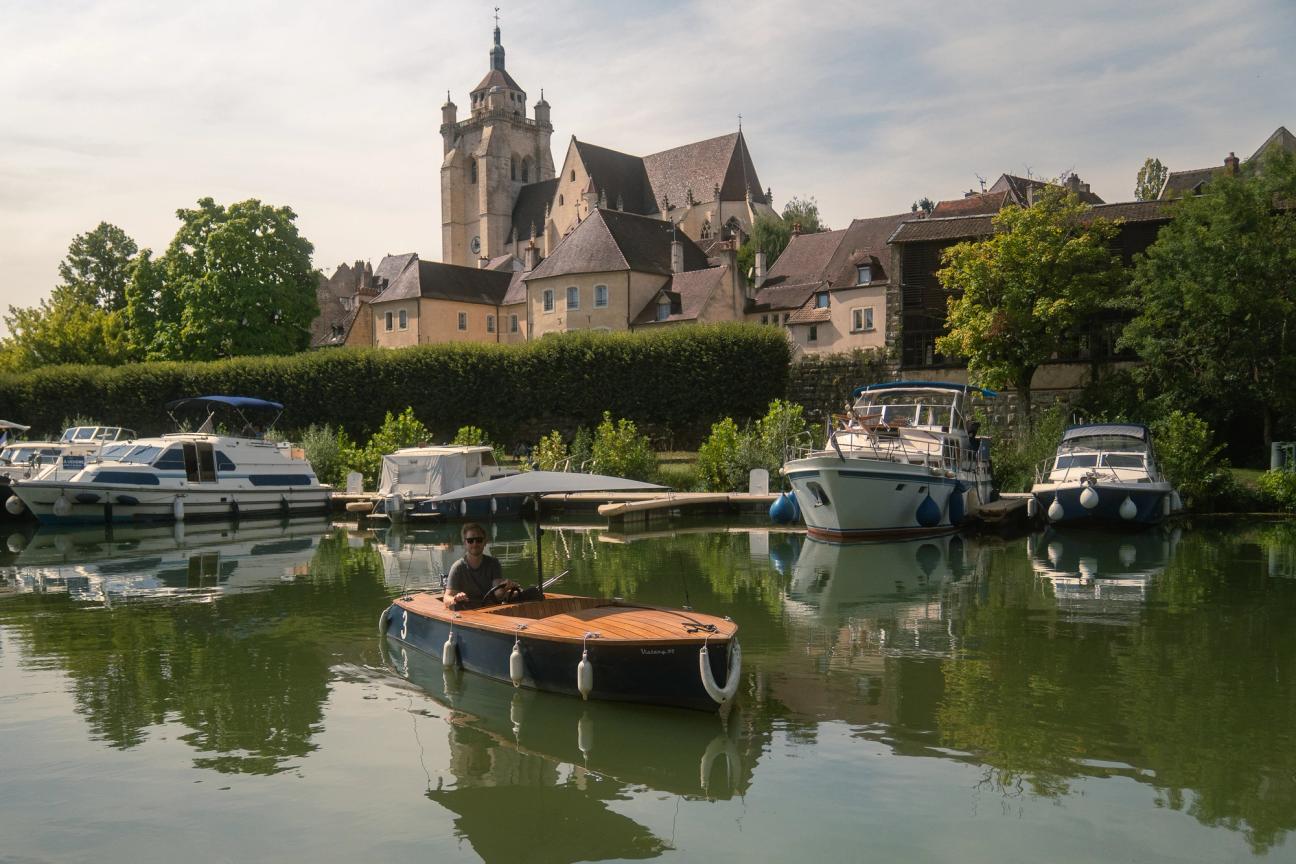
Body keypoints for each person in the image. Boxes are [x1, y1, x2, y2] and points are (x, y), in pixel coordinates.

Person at [443, 523, 541, 610]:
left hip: (491, 609)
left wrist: (505, 588)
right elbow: (446, 598)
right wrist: (456, 598)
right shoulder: (458, 567)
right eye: (470, 540)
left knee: (533, 593)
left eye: (479, 540)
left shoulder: (493, 563)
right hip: (469, 613)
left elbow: (497, 594)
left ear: (485, 542)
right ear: (465, 543)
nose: (475, 543)